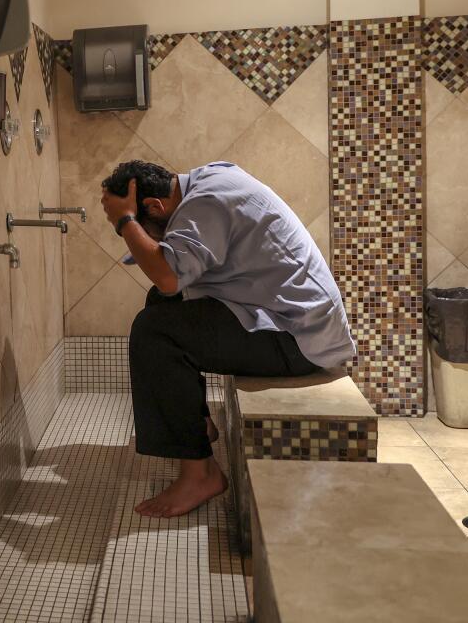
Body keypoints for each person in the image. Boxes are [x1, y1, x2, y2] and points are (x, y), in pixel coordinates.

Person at [99, 160, 355, 518]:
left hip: (299, 341)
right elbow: (167, 280)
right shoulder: (210, 181)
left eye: (149, 230)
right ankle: (194, 422)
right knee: (161, 303)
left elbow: (168, 275)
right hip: (290, 321)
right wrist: (134, 224)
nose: (155, 239)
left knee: (153, 331)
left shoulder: (207, 204)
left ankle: (200, 474)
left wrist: (125, 221)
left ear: (155, 207)